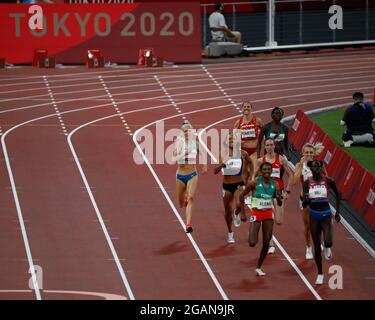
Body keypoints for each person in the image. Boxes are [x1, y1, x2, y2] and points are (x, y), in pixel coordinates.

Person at [302, 160, 341, 285]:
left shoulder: (329, 181)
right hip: (313, 215)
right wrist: (306, 200)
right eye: (313, 167)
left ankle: (328, 247)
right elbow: (304, 202)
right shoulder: (307, 182)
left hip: (326, 214)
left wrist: (338, 212)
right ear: (311, 169)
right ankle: (320, 273)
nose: (315, 169)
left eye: (317, 167)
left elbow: (339, 195)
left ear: (321, 167)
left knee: (328, 242)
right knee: (317, 247)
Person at [240, 162, 282, 276]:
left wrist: (279, 198)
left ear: (271, 171)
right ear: (261, 171)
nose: (267, 171)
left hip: (268, 213)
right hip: (256, 213)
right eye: (265, 169)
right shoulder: (255, 183)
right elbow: (241, 195)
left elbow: (279, 201)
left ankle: (259, 267)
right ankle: (251, 230)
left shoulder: (275, 184)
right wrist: (242, 213)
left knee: (267, 241)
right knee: (252, 243)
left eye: (269, 169)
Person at [214, 132, 253, 243]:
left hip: (239, 183)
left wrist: (251, 175)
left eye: (233, 139)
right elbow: (215, 171)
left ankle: (237, 213)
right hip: (226, 186)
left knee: (239, 204)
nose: (231, 141)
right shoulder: (223, 154)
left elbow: (251, 163)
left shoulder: (243, 153)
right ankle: (230, 233)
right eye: (229, 140)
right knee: (227, 211)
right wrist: (223, 164)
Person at [255, 138, 293, 254]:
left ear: (274, 146)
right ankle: (270, 243)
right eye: (267, 145)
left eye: (271, 144)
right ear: (265, 147)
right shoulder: (260, 160)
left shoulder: (281, 159)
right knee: (268, 218)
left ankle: (270, 217)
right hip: (265, 193)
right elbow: (253, 176)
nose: (270, 147)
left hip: (278, 191)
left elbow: (290, 174)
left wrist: (288, 191)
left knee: (279, 221)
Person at [292, 143, 326, 260]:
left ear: (314, 154)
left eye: (311, 153)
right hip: (305, 200)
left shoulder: (319, 165)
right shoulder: (299, 165)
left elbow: (327, 178)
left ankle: (318, 241)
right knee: (308, 226)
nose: (309, 155)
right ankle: (308, 248)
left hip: (318, 199)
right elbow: (295, 181)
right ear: (302, 153)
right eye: (306, 153)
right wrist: (301, 167)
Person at [173, 120, 207, 233]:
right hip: (180, 176)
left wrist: (204, 166)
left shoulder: (195, 144)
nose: (187, 133)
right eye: (184, 131)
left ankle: (188, 225)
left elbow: (202, 153)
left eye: (188, 131)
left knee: (191, 198)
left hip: (192, 174)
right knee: (181, 204)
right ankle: (185, 201)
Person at [234, 101, 263, 178]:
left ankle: (252, 186)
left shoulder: (258, 121)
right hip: (243, 151)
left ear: (251, 108)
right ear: (242, 108)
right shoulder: (238, 123)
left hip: (253, 151)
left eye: (248, 107)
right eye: (245, 107)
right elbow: (234, 139)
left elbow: (264, 132)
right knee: (244, 173)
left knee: (254, 172)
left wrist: (260, 137)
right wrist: (240, 141)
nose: (246, 108)